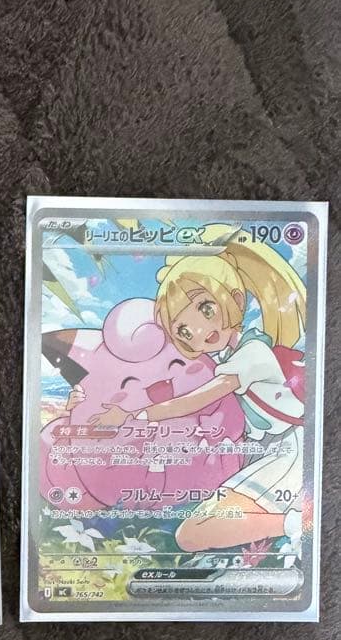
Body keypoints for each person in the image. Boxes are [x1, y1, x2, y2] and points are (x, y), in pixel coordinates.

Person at [90, 225, 306, 553]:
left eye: (206, 309)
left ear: (235, 300)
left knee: (192, 534)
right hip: (258, 451)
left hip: (287, 451)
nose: (201, 331)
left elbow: (200, 398)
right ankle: (291, 522)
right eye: (185, 331)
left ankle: (297, 522)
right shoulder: (224, 356)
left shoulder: (253, 353)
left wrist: (135, 415)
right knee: (192, 532)